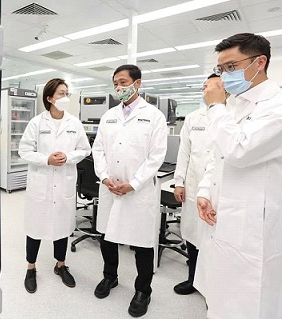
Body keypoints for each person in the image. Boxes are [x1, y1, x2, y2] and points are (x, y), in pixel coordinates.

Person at [196, 33, 282, 318]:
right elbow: (216, 156)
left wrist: (216, 106)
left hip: (253, 231)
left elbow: (239, 150)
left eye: (231, 67)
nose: (225, 76)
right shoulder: (234, 105)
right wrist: (205, 192)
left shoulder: (276, 104)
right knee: (221, 299)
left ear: (260, 62)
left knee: (249, 303)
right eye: (222, 69)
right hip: (222, 219)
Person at [92, 64, 167, 317]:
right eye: (115, 83)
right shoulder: (109, 116)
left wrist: (133, 183)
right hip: (110, 188)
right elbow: (98, 150)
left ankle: (143, 289)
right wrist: (104, 178)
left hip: (139, 191)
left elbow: (156, 156)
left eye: (123, 82)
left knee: (142, 242)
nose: (118, 87)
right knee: (107, 236)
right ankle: (110, 277)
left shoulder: (154, 116)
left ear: (138, 83)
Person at [18, 78, 91, 293]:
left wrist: (67, 156)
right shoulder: (37, 123)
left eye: (67, 93)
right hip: (41, 183)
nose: (65, 97)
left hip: (64, 183)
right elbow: (24, 150)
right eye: (61, 93)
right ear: (49, 98)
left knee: (61, 227)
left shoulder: (74, 124)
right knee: (35, 227)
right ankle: (31, 268)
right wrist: (46, 159)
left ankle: (61, 265)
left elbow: (84, 150)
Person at [171, 74, 220, 295]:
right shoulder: (193, 118)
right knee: (191, 235)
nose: (206, 90)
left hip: (218, 191)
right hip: (192, 186)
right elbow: (184, 152)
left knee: (214, 241)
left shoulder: (231, 117)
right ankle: (192, 279)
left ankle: (213, 288)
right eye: (204, 86)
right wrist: (179, 182)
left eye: (212, 86)